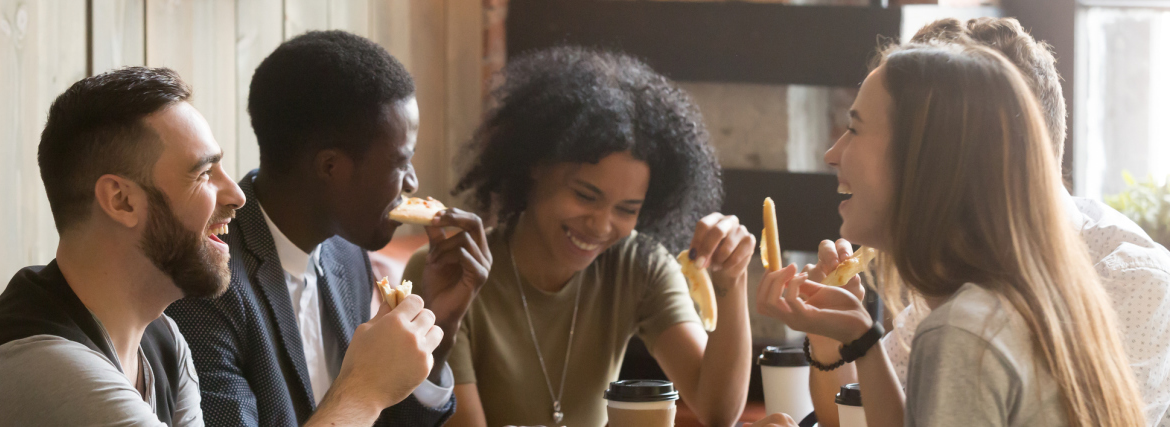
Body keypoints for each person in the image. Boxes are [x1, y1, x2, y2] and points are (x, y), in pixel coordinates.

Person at [757, 40, 1150, 426]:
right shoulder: (1026, 300)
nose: (832, 155)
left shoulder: (962, 333)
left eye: (855, 130)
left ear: (923, 163)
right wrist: (861, 338)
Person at [403, 47, 756, 427]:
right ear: (536, 164)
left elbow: (718, 410)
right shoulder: (452, 272)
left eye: (627, 209)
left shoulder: (638, 265)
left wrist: (730, 283)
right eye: (586, 196)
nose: (602, 226)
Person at [165, 30, 490, 426]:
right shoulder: (207, 283)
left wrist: (435, 329)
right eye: (400, 162)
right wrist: (362, 389)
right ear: (330, 167)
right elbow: (361, 400)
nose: (412, 183)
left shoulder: (346, 254)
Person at [0, 67, 242, 426]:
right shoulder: (47, 368)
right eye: (203, 174)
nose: (237, 195)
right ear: (121, 201)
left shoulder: (162, 340)